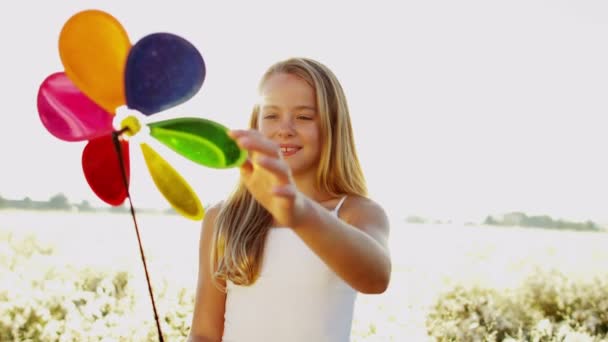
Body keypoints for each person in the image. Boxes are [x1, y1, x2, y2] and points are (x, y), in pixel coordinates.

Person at [187, 57, 391, 342]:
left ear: (333, 127)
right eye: (271, 115)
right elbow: (204, 334)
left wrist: (299, 212)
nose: (285, 128)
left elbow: (376, 277)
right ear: (255, 124)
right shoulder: (222, 218)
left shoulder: (355, 213)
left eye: (304, 116)